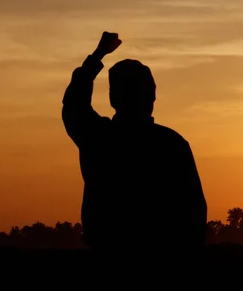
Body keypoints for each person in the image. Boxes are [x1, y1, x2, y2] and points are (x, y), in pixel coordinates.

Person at [62, 31, 207, 257]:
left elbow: (74, 104)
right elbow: (194, 213)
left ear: (112, 97)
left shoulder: (98, 138)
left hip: (109, 252)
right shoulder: (171, 144)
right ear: (153, 97)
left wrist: (98, 55)